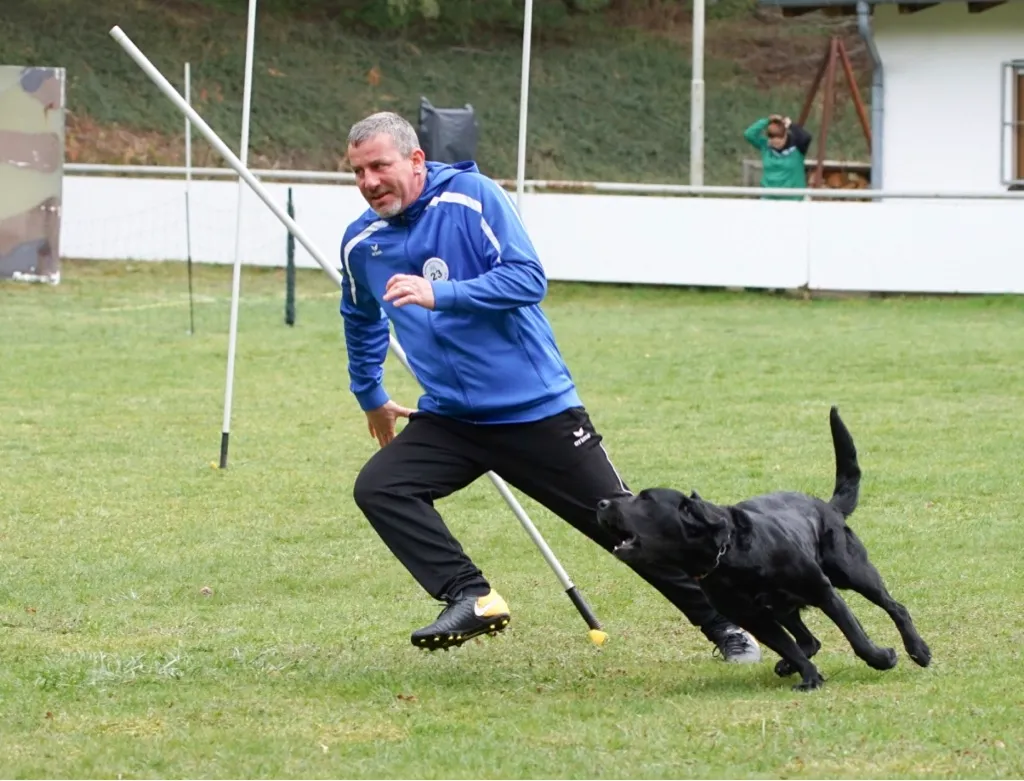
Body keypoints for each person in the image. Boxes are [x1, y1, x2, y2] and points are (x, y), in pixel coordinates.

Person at [338, 111, 761, 664]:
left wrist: (443, 294)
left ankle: (727, 626)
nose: (369, 182)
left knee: (628, 534)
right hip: (451, 419)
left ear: (415, 161)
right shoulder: (361, 242)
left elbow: (528, 277)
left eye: (379, 166)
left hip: (535, 412)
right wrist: (369, 393)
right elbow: (360, 315)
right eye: (358, 172)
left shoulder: (471, 196)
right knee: (381, 488)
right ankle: (471, 595)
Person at [743, 114, 813, 199]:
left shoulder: (797, 148)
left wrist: (790, 125)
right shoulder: (765, 146)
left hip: (793, 200)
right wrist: (767, 121)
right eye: (773, 142)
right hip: (768, 198)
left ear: (785, 136)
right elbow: (749, 134)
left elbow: (807, 138)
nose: (776, 145)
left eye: (779, 142)